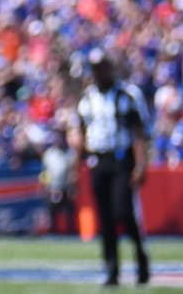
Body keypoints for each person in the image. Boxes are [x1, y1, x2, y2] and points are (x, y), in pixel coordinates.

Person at [74, 51, 151, 287]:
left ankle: (140, 257)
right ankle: (111, 269)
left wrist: (140, 164)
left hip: (121, 160)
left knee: (123, 213)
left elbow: (139, 134)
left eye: (103, 67)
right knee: (105, 219)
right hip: (98, 161)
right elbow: (81, 134)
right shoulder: (87, 99)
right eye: (95, 68)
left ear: (110, 67)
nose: (99, 72)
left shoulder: (127, 95)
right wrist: (76, 166)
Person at [39, 126, 77, 235]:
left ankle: (70, 233)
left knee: (69, 212)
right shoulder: (49, 154)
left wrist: (72, 188)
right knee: (52, 212)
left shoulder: (70, 153)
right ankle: (52, 233)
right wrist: (46, 187)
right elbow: (45, 172)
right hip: (53, 188)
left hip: (66, 187)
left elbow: (72, 172)